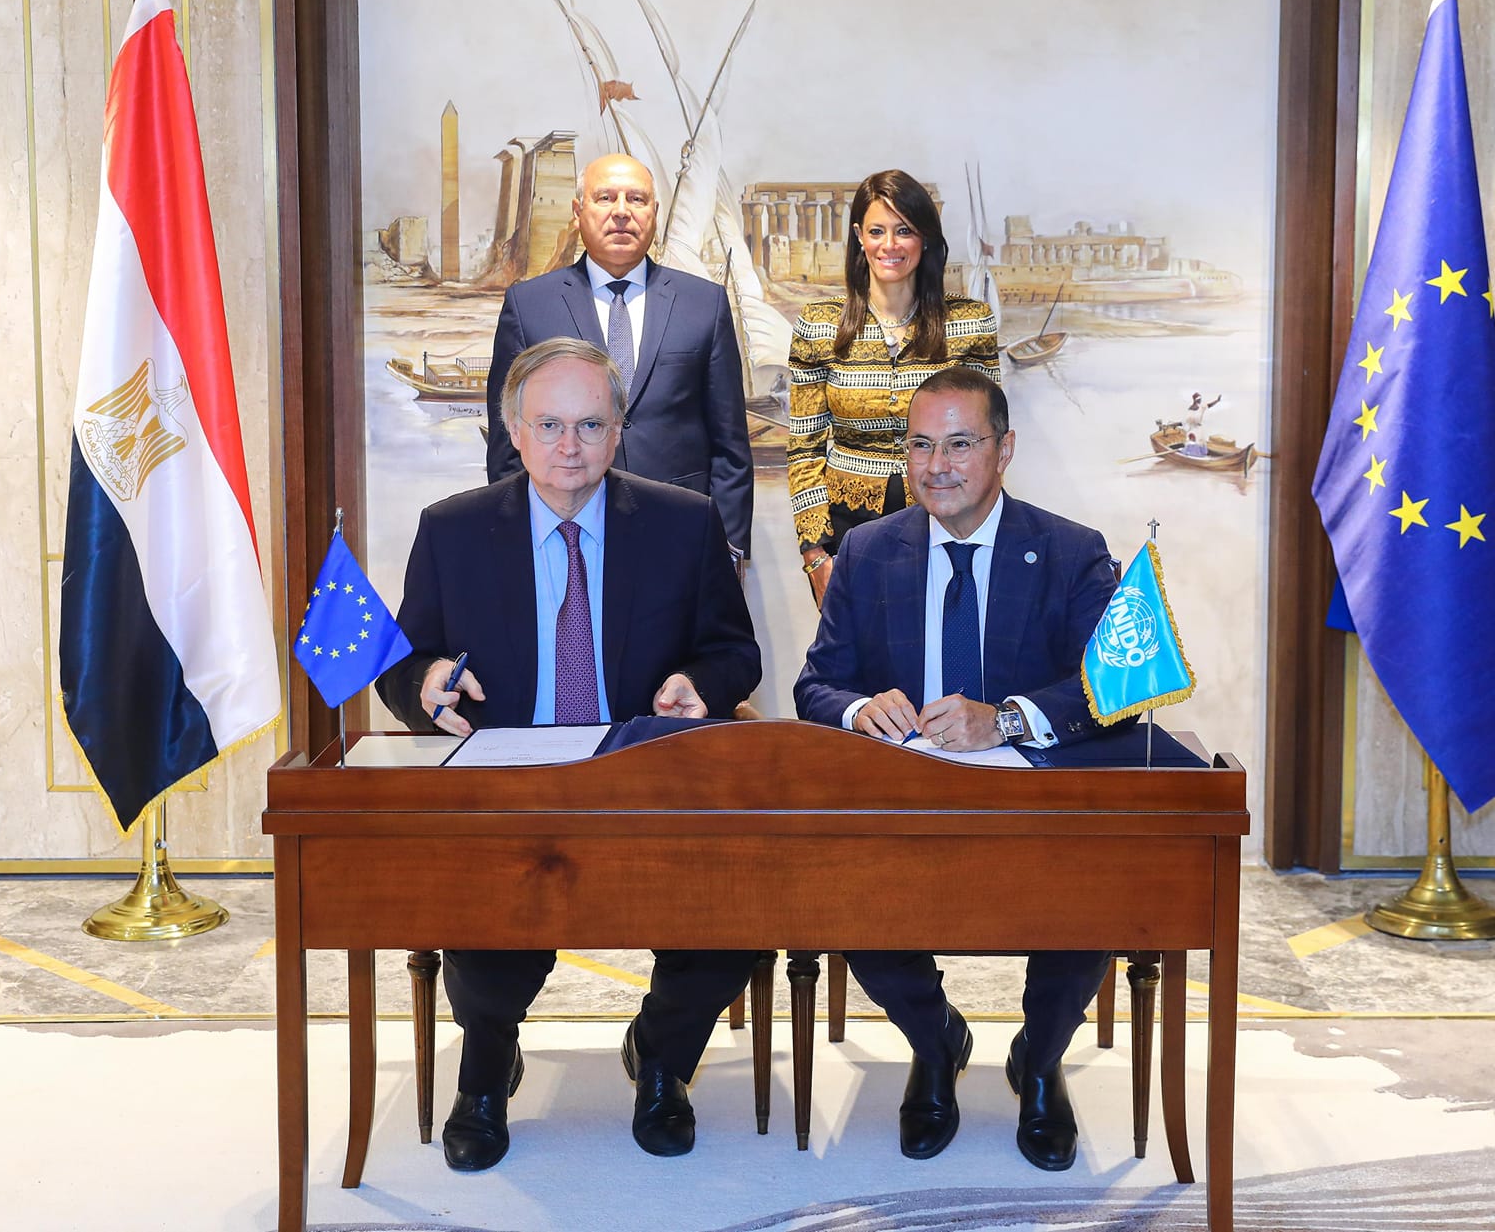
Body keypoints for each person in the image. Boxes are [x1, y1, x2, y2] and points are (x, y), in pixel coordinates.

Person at [377, 338, 761, 1171]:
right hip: (510, 795)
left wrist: (699, 681)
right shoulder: (452, 530)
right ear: (514, 432)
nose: (569, 445)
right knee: (479, 914)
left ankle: (661, 1057)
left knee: (740, 908)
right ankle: (486, 1069)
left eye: (590, 424)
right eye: (548, 424)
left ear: (618, 431)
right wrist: (427, 681)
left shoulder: (684, 522)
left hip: (645, 789)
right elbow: (403, 665)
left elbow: (736, 652)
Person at [793, 367, 1118, 1171]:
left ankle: (1040, 1060)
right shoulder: (867, 550)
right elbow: (815, 684)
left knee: (1101, 889)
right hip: (907, 813)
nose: (936, 465)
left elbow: (1109, 689)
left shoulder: (1072, 551)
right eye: (920, 445)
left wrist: (1004, 717)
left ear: (1004, 450)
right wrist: (856, 709)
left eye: (960, 444)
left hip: (1038, 816)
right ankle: (935, 1041)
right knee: (840, 888)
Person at [484, 153, 754, 565]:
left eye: (637, 199)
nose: (622, 212)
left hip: (680, 536)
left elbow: (730, 448)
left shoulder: (704, 304)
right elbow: (507, 445)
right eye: (605, 198)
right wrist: (517, 544)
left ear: (654, 212)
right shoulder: (529, 306)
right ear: (578, 211)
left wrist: (727, 550)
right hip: (564, 536)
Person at [787, 169, 999, 604]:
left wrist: (977, 536)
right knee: (858, 648)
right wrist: (815, 554)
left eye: (904, 230)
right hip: (847, 534)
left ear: (925, 238)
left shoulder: (971, 322)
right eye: (877, 231)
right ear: (858, 238)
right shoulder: (819, 324)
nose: (890, 245)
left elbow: (987, 445)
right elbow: (804, 450)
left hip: (950, 522)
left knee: (942, 642)